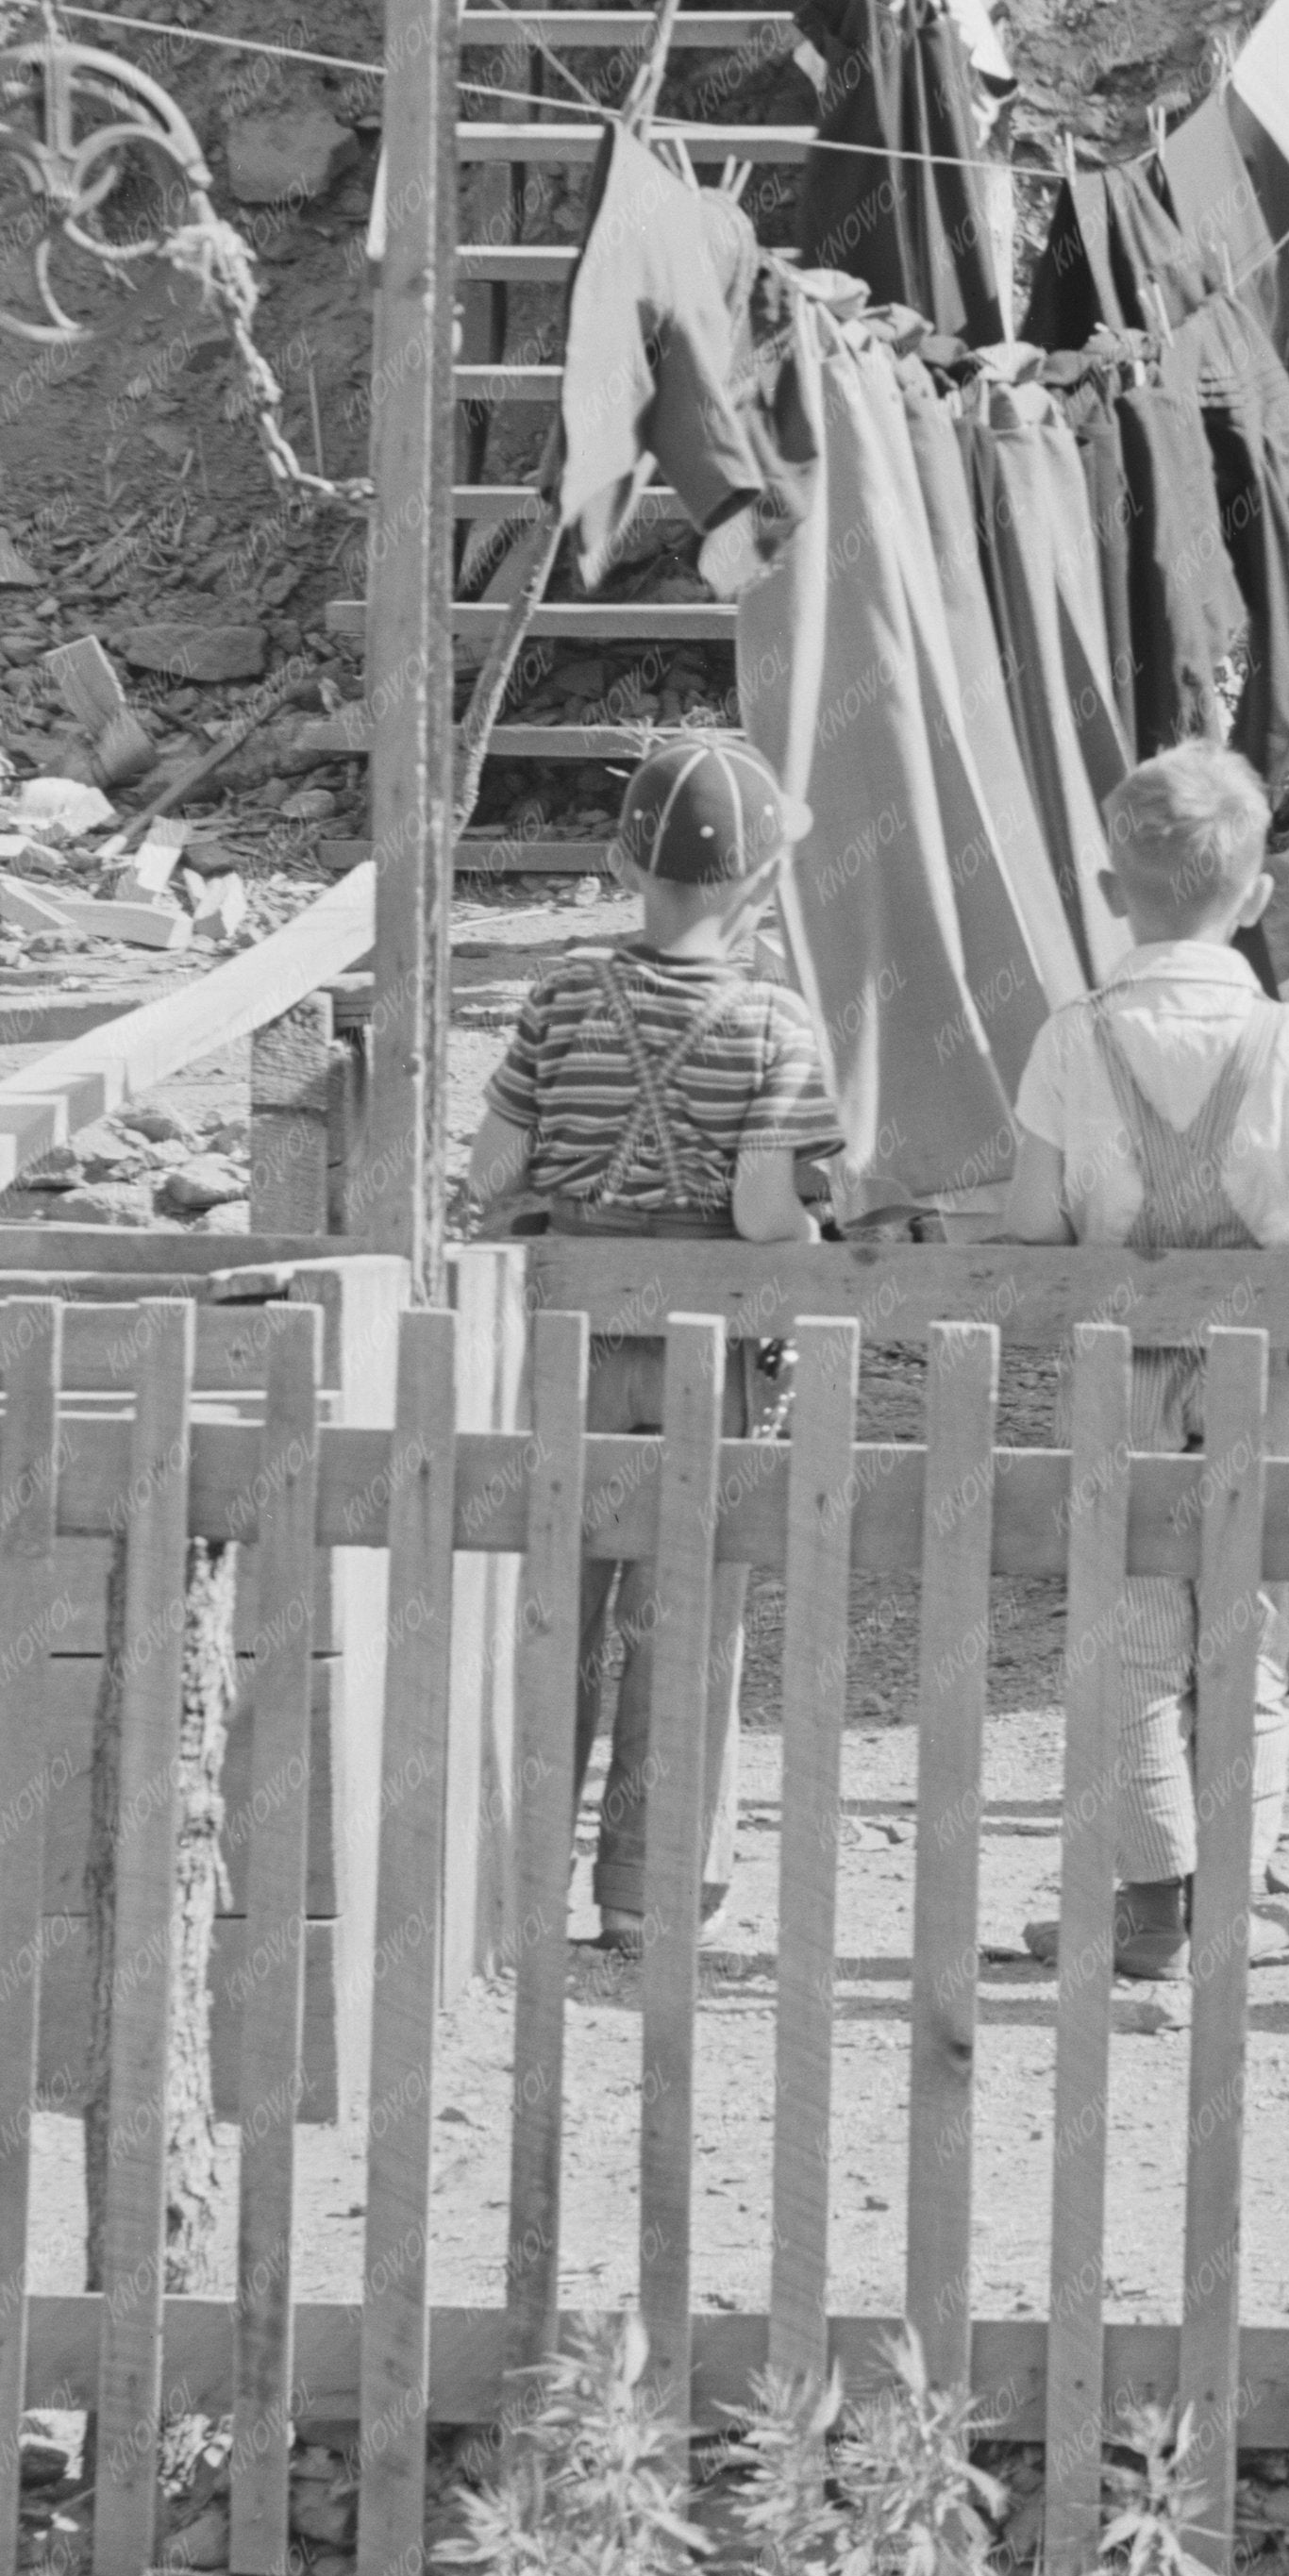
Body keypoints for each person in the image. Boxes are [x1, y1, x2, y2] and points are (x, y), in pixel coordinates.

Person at [989, 743, 1289, 2024]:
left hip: (1115, 1373)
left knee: (1131, 1636)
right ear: (1256, 899)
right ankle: (1231, 1898)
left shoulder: (1068, 1039)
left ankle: (1144, 1902)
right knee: (1245, 1636)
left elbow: (1034, 1223)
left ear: (1109, 886)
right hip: (1253, 1377)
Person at [462, 724, 838, 1953]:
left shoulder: (564, 991)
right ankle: (649, 1890)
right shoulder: (777, 1023)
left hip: (566, 1339)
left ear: (625, 866)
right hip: (701, 1350)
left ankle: (517, 1880)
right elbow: (762, 1211)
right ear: (765, 879)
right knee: (686, 1620)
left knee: (547, 1614)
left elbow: (494, 1166)